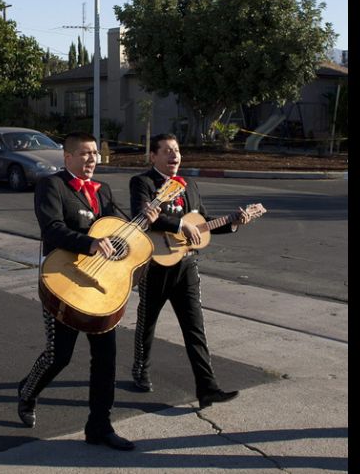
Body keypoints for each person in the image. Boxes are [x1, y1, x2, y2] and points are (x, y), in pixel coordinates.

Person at [16, 131, 160, 451]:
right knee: (59, 356)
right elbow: (52, 228)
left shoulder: (102, 190)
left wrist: (144, 220)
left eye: (95, 153)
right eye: (84, 153)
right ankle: (27, 391)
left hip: (102, 288)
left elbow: (120, 229)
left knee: (106, 358)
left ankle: (99, 427)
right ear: (67, 157)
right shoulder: (52, 185)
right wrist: (90, 243)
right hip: (63, 280)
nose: (91, 158)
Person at [129, 133, 250, 408]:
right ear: (153, 156)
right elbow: (144, 218)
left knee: (195, 327)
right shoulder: (143, 183)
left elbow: (202, 223)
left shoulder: (189, 185)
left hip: (187, 266)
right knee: (147, 321)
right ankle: (141, 369)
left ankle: (207, 388)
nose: (174, 155)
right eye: (167, 151)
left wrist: (233, 223)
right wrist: (179, 225)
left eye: (177, 150)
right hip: (156, 265)